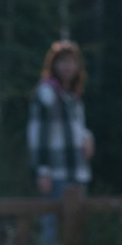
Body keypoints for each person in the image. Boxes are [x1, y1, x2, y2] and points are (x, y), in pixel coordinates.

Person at [26, 39, 94, 234]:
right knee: (52, 229)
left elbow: (77, 128)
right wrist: (43, 171)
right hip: (55, 173)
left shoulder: (72, 96)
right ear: (53, 65)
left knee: (76, 229)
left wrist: (88, 137)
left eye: (71, 62)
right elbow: (37, 135)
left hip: (77, 171)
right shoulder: (46, 92)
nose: (67, 66)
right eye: (62, 61)